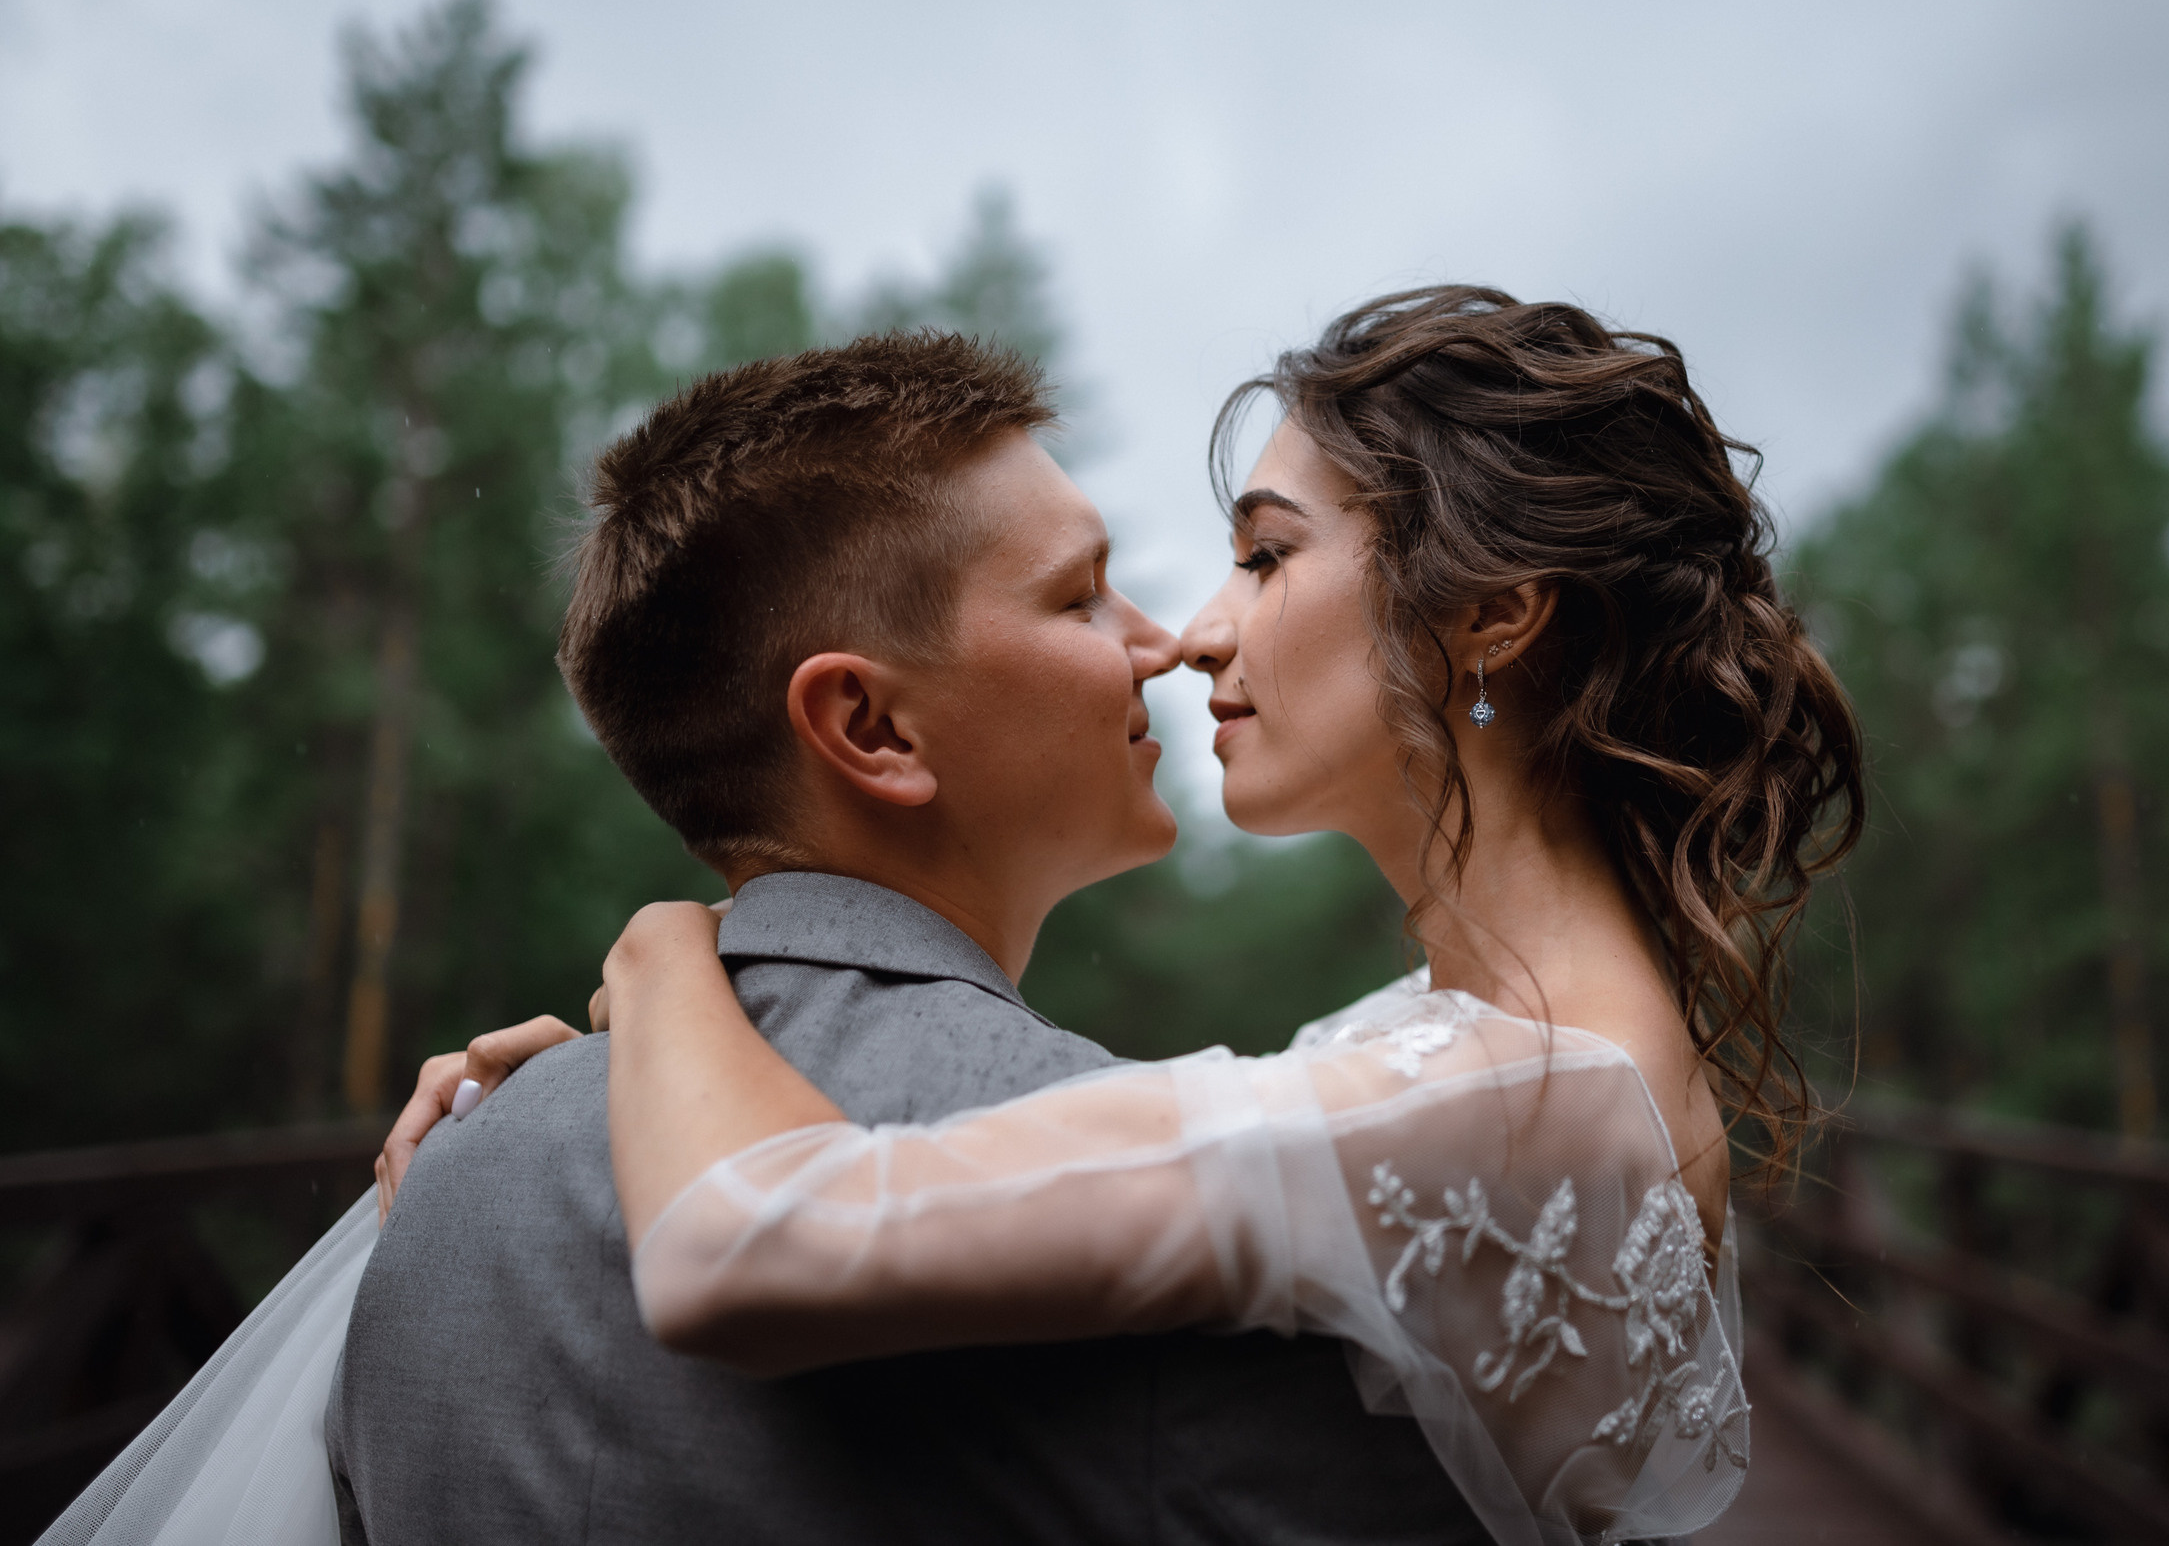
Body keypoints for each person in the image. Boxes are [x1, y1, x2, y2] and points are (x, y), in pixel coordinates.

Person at [422, 287, 1863, 1544]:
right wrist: (633, 1086)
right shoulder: (1519, 1051)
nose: (1193, 632)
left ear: (1495, 613)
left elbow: (740, 1246)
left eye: (1268, 553)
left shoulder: (1510, 1099)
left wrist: (669, 951)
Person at [42, 331, 1499, 1546]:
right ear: (869, 726)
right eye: (1076, 593)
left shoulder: (445, 1177)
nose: (1161, 638)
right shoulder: (1112, 1188)